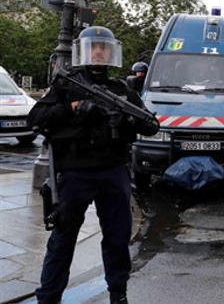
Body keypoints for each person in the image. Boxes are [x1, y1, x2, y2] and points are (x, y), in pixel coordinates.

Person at [28, 26, 159, 304]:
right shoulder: (67, 85)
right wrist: (73, 108)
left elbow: (149, 125)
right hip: (75, 173)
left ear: (111, 53)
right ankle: (48, 298)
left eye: (104, 48)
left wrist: (127, 119)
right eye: (94, 47)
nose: (99, 52)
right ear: (84, 51)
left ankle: (118, 294)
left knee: (117, 238)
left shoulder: (120, 89)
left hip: (113, 171)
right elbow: (36, 118)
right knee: (62, 241)